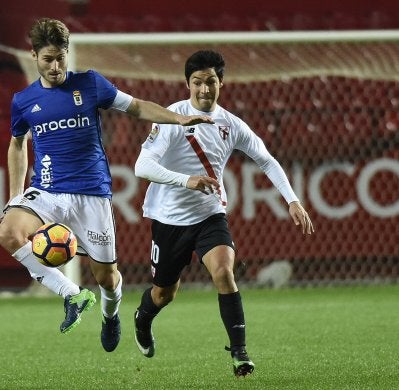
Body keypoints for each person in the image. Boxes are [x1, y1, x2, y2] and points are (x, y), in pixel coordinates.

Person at [0, 18, 215, 353]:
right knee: (8, 232)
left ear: (67, 54)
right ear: (33, 57)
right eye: (47, 59)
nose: (55, 66)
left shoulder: (91, 84)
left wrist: (178, 118)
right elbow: (16, 145)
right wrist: (14, 198)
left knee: (107, 280)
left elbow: (137, 107)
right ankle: (72, 295)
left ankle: (110, 315)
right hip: (47, 190)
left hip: (91, 194)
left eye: (60, 58)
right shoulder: (23, 101)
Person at [132, 50, 314, 376]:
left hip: (209, 214)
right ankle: (143, 318)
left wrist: (292, 200)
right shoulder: (171, 118)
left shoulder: (231, 124)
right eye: (198, 82)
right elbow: (141, 166)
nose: (204, 89)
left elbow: (266, 159)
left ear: (221, 83)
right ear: (188, 84)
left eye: (211, 82)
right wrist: (186, 180)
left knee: (224, 272)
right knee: (164, 294)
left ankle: (240, 353)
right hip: (168, 218)